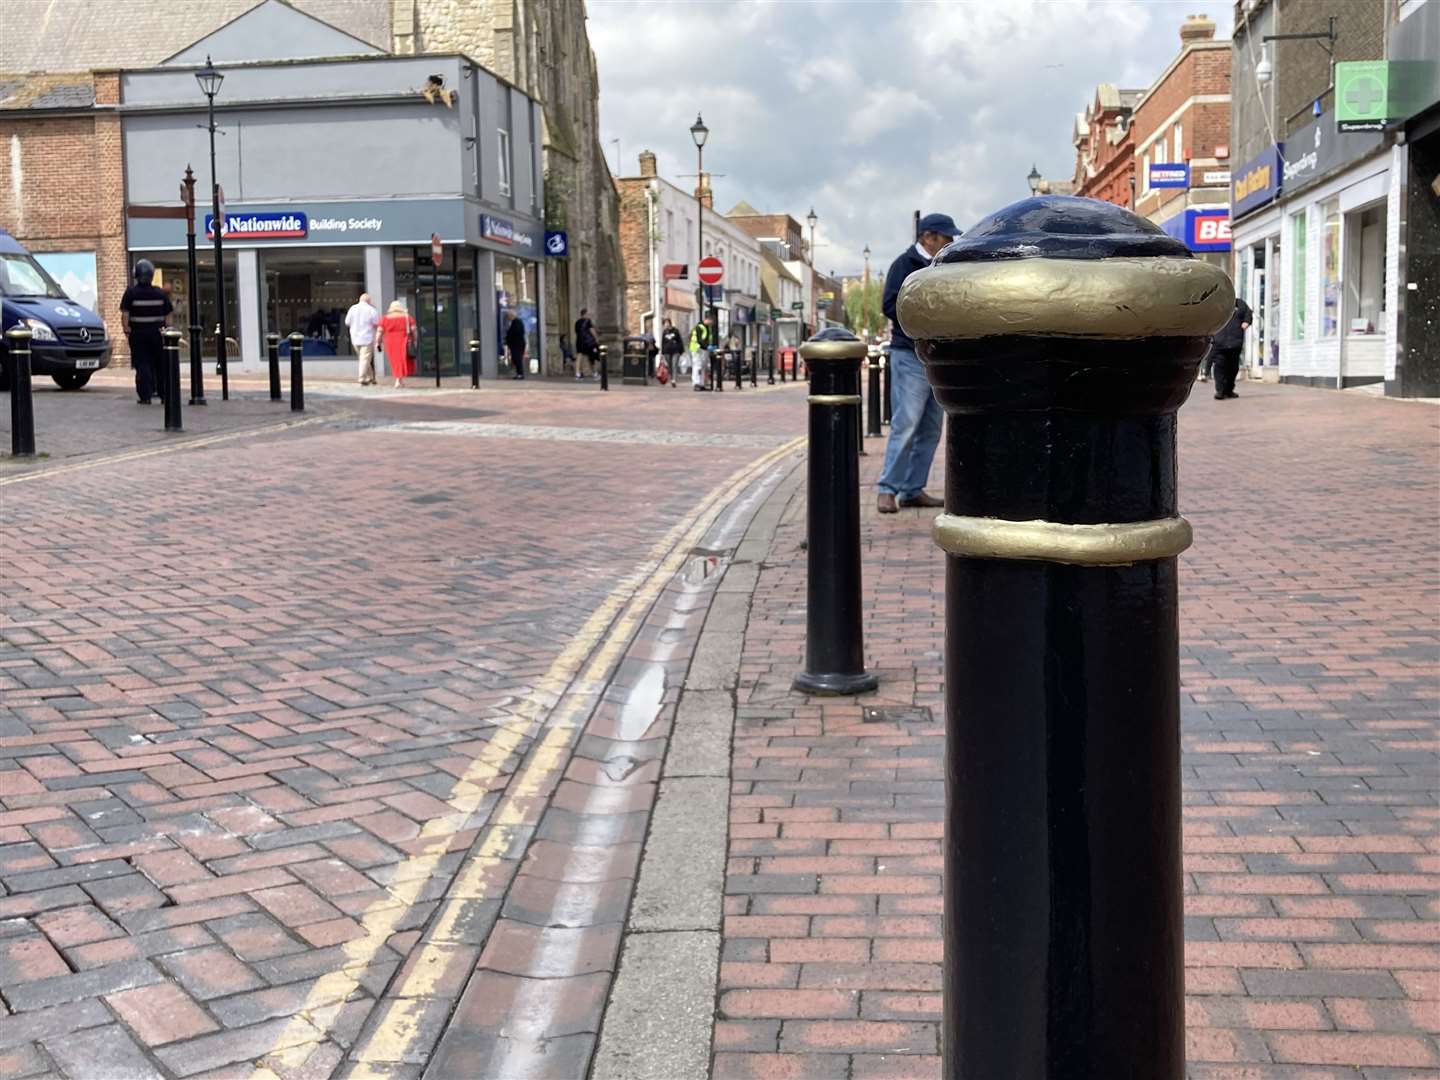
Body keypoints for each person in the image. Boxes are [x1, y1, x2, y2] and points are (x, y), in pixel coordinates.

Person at [876, 212, 961, 514]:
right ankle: (887, 489)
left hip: (936, 355)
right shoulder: (905, 265)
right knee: (907, 423)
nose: (950, 242)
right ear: (928, 237)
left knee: (930, 427)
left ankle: (912, 489)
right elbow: (889, 304)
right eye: (946, 237)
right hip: (909, 353)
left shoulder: (945, 265)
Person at [119, 259, 172, 405]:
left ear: (136, 274)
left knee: (143, 365)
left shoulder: (131, 293)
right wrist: (167, 331)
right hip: (157, 335)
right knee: (160, 365)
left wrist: (127, 329)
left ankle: (145, 396)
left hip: (138, 335)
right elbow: (168, 316)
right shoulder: (160, 294)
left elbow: (125, 314)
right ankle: (164, 395)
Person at [1209, 297, 1252, 401]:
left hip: (1235, 342)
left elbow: (1248, 313)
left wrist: (1247, 321)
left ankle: (1229, 390)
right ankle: (1220, 391)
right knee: (1219, 367)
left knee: (1233, 368)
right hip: (1220, 342)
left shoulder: (1239, 303)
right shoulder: (1216, 305)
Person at [376, 300, 417, 389]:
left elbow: (379, 332)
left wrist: (378, 342)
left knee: (394, 361)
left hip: (390, 342)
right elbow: (414, 330)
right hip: (403, 340)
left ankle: (398, 380)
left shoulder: (385, 318)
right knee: (401, 360)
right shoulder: (407, 317)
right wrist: (414, 340)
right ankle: (399, 380)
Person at [344, 292, 380, 385]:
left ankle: (371, 377)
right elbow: (377, 323)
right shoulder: (371, 310)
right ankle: (362, 378)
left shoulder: (352, 308)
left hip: (355, 338)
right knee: (365, 359)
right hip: (367, 338)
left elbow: (347, 322)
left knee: (363, 358)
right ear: (368, 301)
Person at [689, 317, 713, 390]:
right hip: (697, 349)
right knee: (697, 366)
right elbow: (700, 340)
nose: (711, 322)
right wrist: (707, 346)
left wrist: (708, 347)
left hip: (703, 349)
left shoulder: (707, 328)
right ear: (707, 319)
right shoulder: (699, 327)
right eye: (711, 320)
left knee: (703, 366)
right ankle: (696, 383)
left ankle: (701, 384)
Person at [574, 308, 598, 379]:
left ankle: (577, 373)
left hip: (579, 341)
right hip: (588, 342)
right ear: (585, 314)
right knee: (591, 357)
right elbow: (592, 331)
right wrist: (596, 339)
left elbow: (576, 332)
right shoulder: (588, 321)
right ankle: (594, 373)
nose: (589, 315)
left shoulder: (577, 322)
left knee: (579, 357)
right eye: (588, 314)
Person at [661, 318, 684, 387]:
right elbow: (663, 342)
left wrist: (681, 350)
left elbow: (680, 341)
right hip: (667, 351)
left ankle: (674, 380)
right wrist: (662, 352)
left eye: (667, 323)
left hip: (675, 351)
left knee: (674, 365)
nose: (666, 324)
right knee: (670, 366)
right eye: (665, 323)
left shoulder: (675, 331)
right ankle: (671, 378)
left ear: (670, 323)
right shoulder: (664, 332)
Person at [505, 310, 528, 380]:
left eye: (508, 316)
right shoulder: (516, 322)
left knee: (517, 359)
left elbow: (515, 333)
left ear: (512, 316)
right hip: (517, 344)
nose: (508, 317)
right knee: (516, 359)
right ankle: (519, 373)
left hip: (517, 344)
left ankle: (520, 374)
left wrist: (509, 337)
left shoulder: (516, 322)